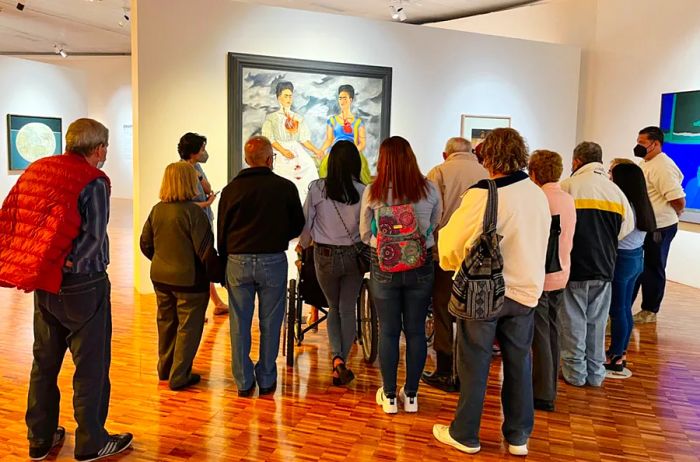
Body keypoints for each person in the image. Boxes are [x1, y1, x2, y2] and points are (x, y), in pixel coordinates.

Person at [0, 118, 132, 460]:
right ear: (99, 148)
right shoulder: (94, 181)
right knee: (90, 365)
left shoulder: (40, 169)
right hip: (83, 284)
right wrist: (71, 265)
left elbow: (21, 216)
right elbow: (93, 236)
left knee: (44, 361)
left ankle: (39, 438)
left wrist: (43, 263)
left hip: (44, 281)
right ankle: (91, 442)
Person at [432, 128, 550, 457]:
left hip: (485, 292)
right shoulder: (537, 193)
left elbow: (452, 242)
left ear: (489, 157)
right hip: (525, 292)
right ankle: (518, 436)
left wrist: (450, 263)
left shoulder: (484, 194)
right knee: (518, 364)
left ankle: (466, 434)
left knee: (474, 363)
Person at [218, 135, 305, 397]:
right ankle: (266, 378)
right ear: (269, 159)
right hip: (272, 261)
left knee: (239, 324)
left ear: (247, 160)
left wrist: (225, 263)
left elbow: (222, 230)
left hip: (237, 260)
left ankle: (244, 381)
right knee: (271, 322)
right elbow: (297, 224)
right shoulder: (285, 188)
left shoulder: (231, 190)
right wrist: (277, 238)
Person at [360, 136, 441, 414]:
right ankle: (413, 395)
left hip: (385, 266)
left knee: (389, 331)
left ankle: (391, 396)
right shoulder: (429, 189)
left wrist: (385, 242)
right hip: (421, 264)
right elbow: (434, 225)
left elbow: (363, 234)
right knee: (416, 330)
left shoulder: (373, 191)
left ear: (383, 161)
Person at [140, 162, 223, 390]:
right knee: (189, 327)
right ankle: (180, 375)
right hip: (190, 281)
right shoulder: (194, 213)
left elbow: (145, 243)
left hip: (160, 278)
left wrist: (162, 260)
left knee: (165, 323)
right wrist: (220, 275)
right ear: (189, 182)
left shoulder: (157, 210)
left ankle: (164, 368)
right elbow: (206, 252)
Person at [559, 142, 634, 388]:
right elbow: (626, 229)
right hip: (604, 268)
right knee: (597, 324)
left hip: (574, 266)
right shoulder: (615, 191)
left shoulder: (568, 187)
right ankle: (595, 373)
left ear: (577, 161)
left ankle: (575, 374)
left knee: (573, 323)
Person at [421, 137, 487, 392]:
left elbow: (431, 215)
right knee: (474, 313)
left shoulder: (438, 172)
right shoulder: (487, 172)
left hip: (446, 255)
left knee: (443, 310)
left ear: (444, 154)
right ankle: (469, 370)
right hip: (481, 257)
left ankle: (445, 369)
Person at [298, 141, 366, 386]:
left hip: (324, 256)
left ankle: (337, 359)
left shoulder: (317, 188)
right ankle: (341, 359)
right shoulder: (364, 191)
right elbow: (367, 229)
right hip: (353, 257)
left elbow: (306, 223)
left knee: (334, 307)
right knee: (347, 309)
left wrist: (302, 245)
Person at [527, 150, 576, 412]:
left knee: (541, 335)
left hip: (541, 277)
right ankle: (549, 387)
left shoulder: (538, 198)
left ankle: (543, 393)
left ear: (533, 172)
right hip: (562, 273)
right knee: (554, 331)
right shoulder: (568, 199)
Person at [632, 126, 685, 324]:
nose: (638, 146)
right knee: (642, 266)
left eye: (642, 143)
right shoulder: (647, 162)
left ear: (655, 144)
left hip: (660, 227)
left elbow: (678, 199)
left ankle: (650, 310)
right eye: (637, 141)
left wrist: (673, 214)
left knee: (654, 267)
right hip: (647, 225)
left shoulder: (662, 166)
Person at [606, 163, 656, 371]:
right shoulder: (643, 204)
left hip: (622, 259)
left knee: (617, 309)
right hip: (636, 258)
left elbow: (615, 236)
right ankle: (620, 352)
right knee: (625, 308)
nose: (609, 178)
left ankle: (616, 355)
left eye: (611, 175)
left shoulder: (626, 206)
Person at [178, 132, 228, 316]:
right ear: (193, 152)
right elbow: (182, 203)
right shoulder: (181, 171)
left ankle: (215, 303)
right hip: (194, 225)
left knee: (204, 263)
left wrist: (198, 176)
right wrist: (206, 203)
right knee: (198, 265)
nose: (204, 153)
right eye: (202, 149)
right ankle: (200, 307)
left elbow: (207, 188)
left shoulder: (195, 167)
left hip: (203, 222)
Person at [261, 81, 322, 203]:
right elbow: (270, 139)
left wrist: (316, 150)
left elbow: (303, 139)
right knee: (281, 177)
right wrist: (283, 151)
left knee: (309, 167)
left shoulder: (297, 118)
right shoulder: (271, 118)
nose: (289, 98)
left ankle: (305, 206)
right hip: (279, 150)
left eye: (290, 95)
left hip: (296, 150)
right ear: (279, 97)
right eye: (285, 95)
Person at [318, 84, 372, 183]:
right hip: (335, 154)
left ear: (350, 100)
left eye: (345, 98)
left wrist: (352, 152)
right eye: (340, 98)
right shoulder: (332, 120)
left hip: (353, 154)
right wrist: (321, 150)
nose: (342, 101)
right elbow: (329, 139)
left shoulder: (358, 122)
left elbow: (362, 143)